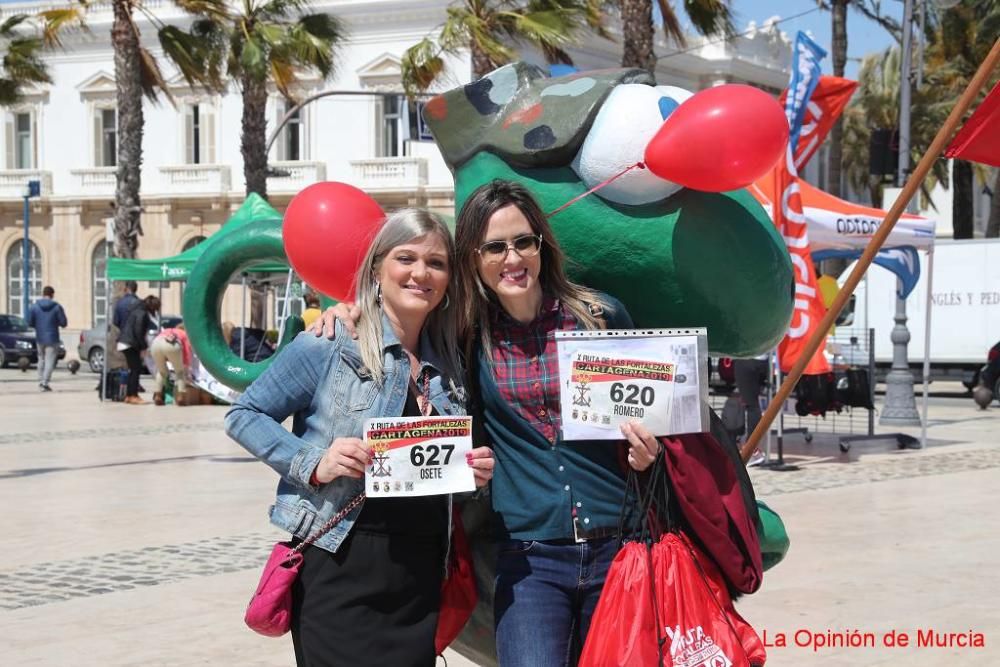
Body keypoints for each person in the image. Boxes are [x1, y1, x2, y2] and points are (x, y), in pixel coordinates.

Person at [314, 180, 661, 666]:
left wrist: (649, 452)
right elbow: (400, 318)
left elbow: (650, 419)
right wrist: (349, 311)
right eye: (494, 247)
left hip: (620, 546)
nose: (512, 258)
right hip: (530, 557)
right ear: (474, 259)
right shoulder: (466, 335)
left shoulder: (598, 316)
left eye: (523, 242)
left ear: (541, 245)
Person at [225, 208, 495, 667]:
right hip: (340, 561)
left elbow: (439, 464)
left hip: (420, 569)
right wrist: (313, 461)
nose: (420, 273)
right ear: (377, 267)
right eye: (405, 258)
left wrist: (475, 473)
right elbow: (244, 413)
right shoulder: (330, 343)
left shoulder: (450, 360)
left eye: (436, 263)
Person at [118, 295, 160, 405]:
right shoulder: (142, 314)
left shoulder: (137, 310)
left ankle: (128, 395)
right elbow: (138, 331)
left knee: (133, 369)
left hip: (125, 342)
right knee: (136, 369)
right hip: (130, 343)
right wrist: (144, 347)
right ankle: (133, 395)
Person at [27, 285, 67, 392]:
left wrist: (38, 325)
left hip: (40, 337)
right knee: (50, 361)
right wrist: (56, 322)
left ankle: (40, 381)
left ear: (43, 294)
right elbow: (64, 323)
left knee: (41, 359)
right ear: (52, 295)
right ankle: (45, 383)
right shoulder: (57, 307)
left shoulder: (35, 307)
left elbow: (29, 322)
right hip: (52, 337)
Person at [150, 323, 192, 406]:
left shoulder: (167, 330)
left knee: (162, 372)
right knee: (180, 372)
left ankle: (158, 395)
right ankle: (181, 397)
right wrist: (187, 365)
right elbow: (187, 353)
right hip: (172, 344)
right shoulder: (184, 334)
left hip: (156, 343)